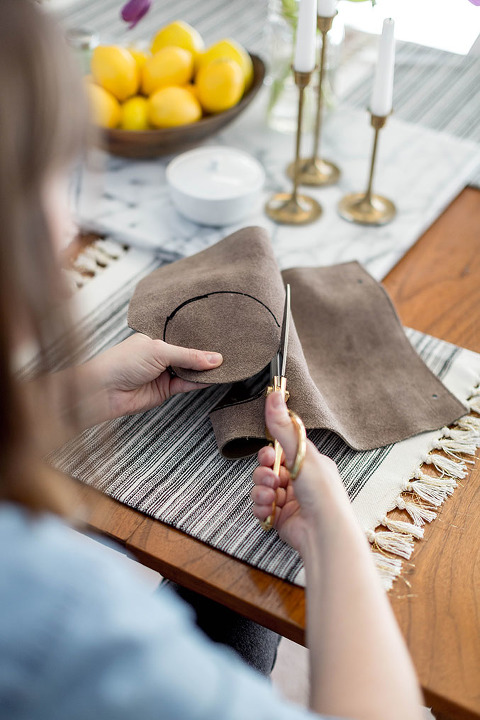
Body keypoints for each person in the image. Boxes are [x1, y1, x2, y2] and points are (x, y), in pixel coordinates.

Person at [0, 2, 425, 719]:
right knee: (233, 585)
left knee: (224, 585)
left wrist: (65, 397)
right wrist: (334, 537)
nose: (70, 221)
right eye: (58, 175)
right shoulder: (56, 609)